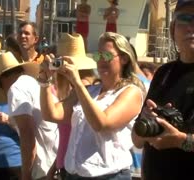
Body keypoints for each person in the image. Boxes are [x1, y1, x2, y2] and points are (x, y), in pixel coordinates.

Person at [40, 32, 145, 179]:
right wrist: (45, 81)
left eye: (107, 56)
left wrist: (77, 82)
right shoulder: (90, 90)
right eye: (98, 56)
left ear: (124, 58)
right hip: (73, 174)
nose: (101, 60)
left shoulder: (131, 92)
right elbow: (51, 114)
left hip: (109, 176)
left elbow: (102, 123)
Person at [132, 0, 194, 179]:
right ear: (173, 29)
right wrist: (144, 124)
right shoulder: (164, 73)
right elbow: (137, 140)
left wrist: (181, 141)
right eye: (185, 18)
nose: (191, 26)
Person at [0, 52, 59, 179]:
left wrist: (26, 175)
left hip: (44, 168)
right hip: (55, 164)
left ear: (1, 80)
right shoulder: (32, 83)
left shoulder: (16, 89)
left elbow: (27, 135)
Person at [42, 33, 97, 180]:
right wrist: (55, 166)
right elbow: (68, 139)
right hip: (67, 166)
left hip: (77, 170)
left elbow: (51, 114)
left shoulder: (86, 88)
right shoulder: (75, 90)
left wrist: (45, 81)